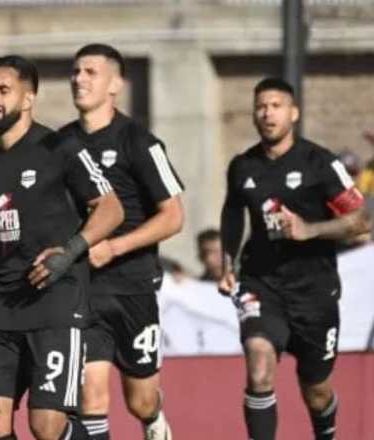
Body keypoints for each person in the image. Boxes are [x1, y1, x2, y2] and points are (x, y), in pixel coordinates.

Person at [0, 55, 124, 440]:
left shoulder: (62, 148)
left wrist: (70, 252)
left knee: (46, 425)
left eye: (3, 90)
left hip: (56, 302)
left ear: (28, 98)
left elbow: (111, 209)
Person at [219, 77, 371, 440]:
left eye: (276, 106)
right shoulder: (242, 166)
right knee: (259, 367)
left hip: (314, 291)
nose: (267, 113)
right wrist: (228, 265)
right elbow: (232, 215)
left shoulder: (320, 163)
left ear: (294, 113)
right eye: (261, 106)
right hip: (261, 284)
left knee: (316, 392)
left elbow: (361, 221)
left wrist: (310, 229)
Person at [57, 44, 184, 440]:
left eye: (91, 72)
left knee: (140, 401)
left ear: (116, 84)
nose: (79, 79)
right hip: (83, 289)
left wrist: (115, 247)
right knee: (90, 395)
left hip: (133, 287)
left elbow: (173, 217)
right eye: (76, 71)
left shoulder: (140, 142)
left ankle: (155, 421)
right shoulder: (58, 145)